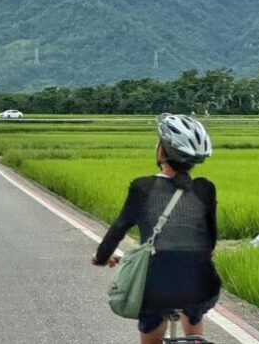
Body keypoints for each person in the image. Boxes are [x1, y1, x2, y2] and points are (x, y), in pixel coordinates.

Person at [92, 114, 219, 344]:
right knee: (193, 307)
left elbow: (119, 229)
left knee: (155, 308)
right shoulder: (205, 189)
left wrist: (102, 257)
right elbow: (209, 243)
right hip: (201, 283)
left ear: (161, 152)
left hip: (157, 284)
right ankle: (195, 338)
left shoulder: (143, 187)